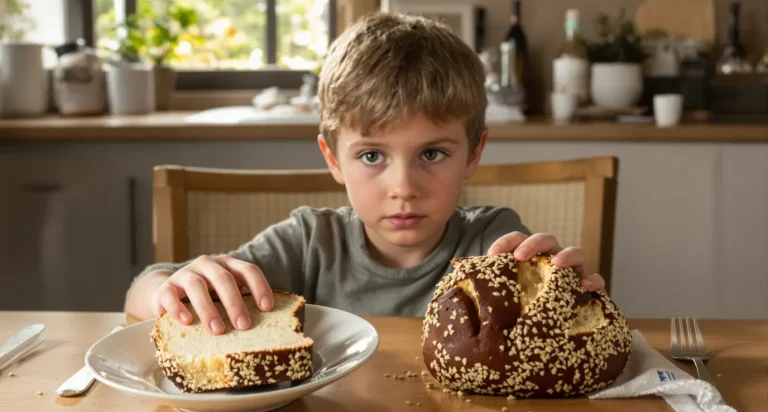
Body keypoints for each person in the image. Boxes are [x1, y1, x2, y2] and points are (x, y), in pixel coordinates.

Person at [124, 12, 606, 335]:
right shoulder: (309, 242)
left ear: (473, 153)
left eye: (432, 154)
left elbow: (550, 331)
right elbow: (142, 292)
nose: (404, 189)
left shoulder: (492, 239)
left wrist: (570, 301)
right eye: (373, 156)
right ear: (333, 159)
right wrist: (172, 287)